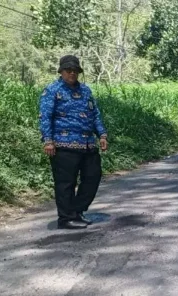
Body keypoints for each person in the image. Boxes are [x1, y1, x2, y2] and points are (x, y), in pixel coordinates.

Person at [39, 55, 108, 229]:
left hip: (87, 143)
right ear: (61, 71)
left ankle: (77, 211)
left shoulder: (85, 91)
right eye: (68, 70)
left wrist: (102, 135)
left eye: (75, 71)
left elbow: (95, 114)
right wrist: (48, 141)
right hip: (63, 144)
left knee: (93, 176)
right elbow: (45, 117)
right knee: (65, 183)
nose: (72, 73)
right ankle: (65, 218)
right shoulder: (52, 90)